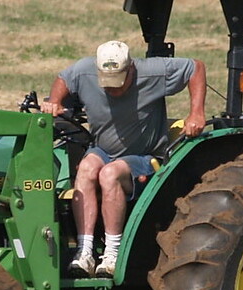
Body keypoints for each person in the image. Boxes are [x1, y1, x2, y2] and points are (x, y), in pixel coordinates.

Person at [43, 40, 207, 277]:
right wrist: (55, 102)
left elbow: (196, 68)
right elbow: (64, 79)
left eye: (119, 83)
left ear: (130, 69)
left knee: (110, 174)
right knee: (87, 167)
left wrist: (196, 113)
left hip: (143, 156)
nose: (113, 90)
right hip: (102, 150)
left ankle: (112, 253)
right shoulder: (84, 70)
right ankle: (85, 251)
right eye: (107, 84)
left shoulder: (153, 72)